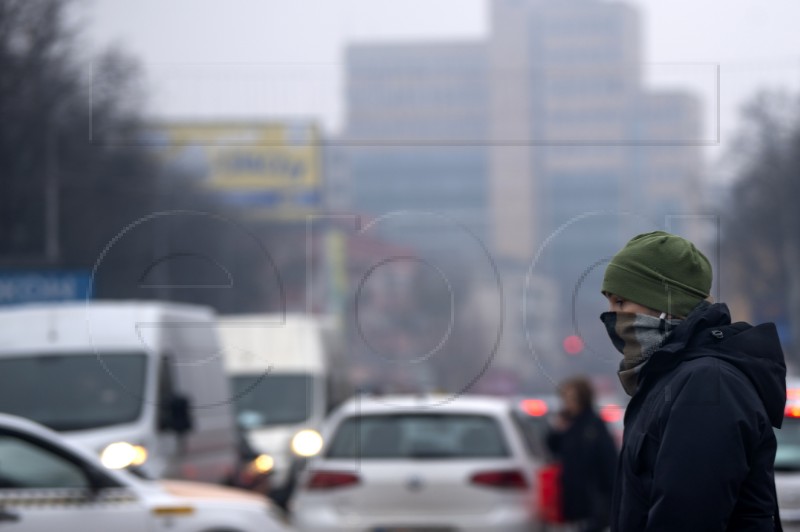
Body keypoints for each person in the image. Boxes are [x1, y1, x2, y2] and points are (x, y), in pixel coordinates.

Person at [600, 230, 786, 531]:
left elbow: (686, 519)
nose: (611, 316)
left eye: (621, 302)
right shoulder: (673, 379)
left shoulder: (707, 385)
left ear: (667, 303)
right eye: (610, 302)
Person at [546, 376, 618, 532]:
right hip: (572, 494)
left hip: (592, 496)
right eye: (565, 398)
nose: (568, 403)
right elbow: (552, 448)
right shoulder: (566, 423)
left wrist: (607, 498)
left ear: (583, 398)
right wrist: (557, 429)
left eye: (572, 398)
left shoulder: (594, 424)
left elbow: (608, 462)